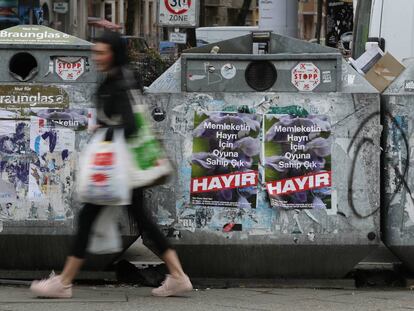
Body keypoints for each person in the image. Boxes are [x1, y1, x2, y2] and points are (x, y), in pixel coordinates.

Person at [30, 30, 192, 298]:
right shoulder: (126, 77)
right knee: (141, 218)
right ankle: (177, 275)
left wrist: (104, 129)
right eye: (96, 51)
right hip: (128, 167)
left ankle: (64, 282)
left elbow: (128, 125)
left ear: (114, 53)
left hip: (117, 168)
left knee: (88, 217)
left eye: (102, 52)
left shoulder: (117, 84)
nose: (97, 57)